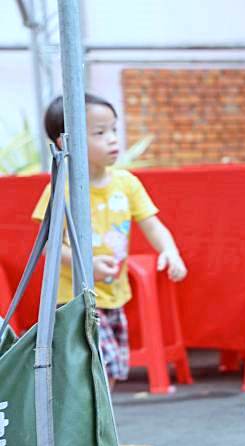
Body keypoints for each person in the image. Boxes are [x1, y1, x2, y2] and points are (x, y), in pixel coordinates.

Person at [31, 93, 188, 388]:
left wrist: (170, 251)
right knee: (93, 371)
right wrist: (87, 264)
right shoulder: (61, 187)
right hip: (74, 300)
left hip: (114, 296)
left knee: (110, 373)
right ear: (67, 141)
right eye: (100, 133)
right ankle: (85, 431)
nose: (113, 139)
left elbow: (153, 225)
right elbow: (48, 247)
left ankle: (98, 431)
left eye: (114, 129)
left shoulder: (126, 183)